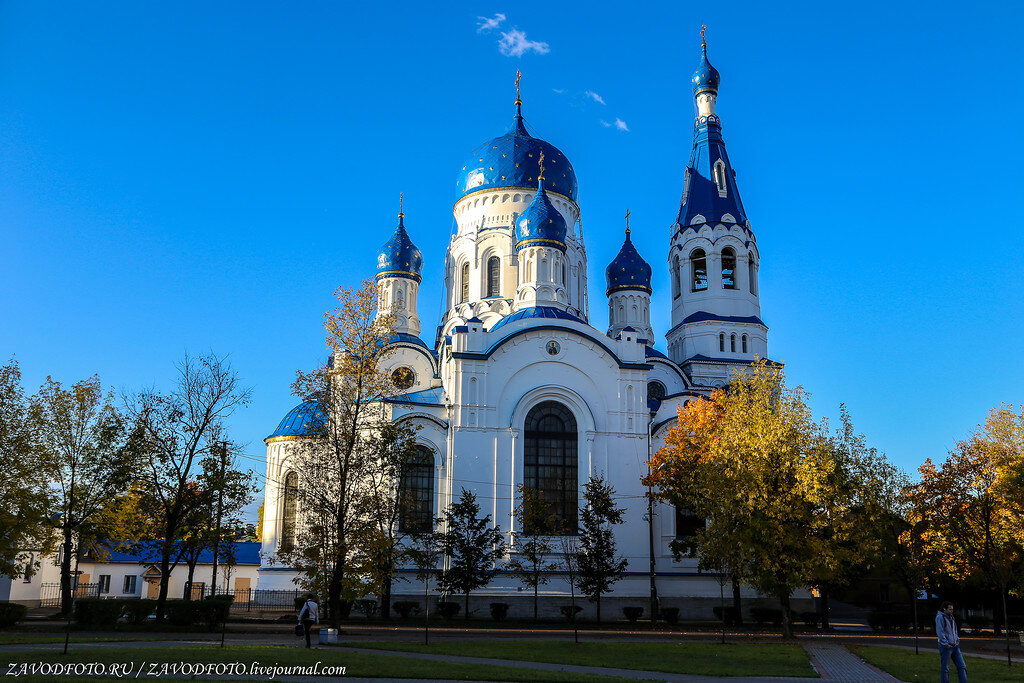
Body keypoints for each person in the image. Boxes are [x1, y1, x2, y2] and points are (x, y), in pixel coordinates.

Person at [935, 600, 967, 683]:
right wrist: (946, 644)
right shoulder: (940, 617)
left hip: (955, 645)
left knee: (962, 666)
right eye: (950, 609)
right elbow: (940, 632)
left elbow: (955, 630)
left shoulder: (951, 617)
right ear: (944, 609)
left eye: (952, 609)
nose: (951, 611)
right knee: (945, 669)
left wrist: (957, 640)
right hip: (946, 647)